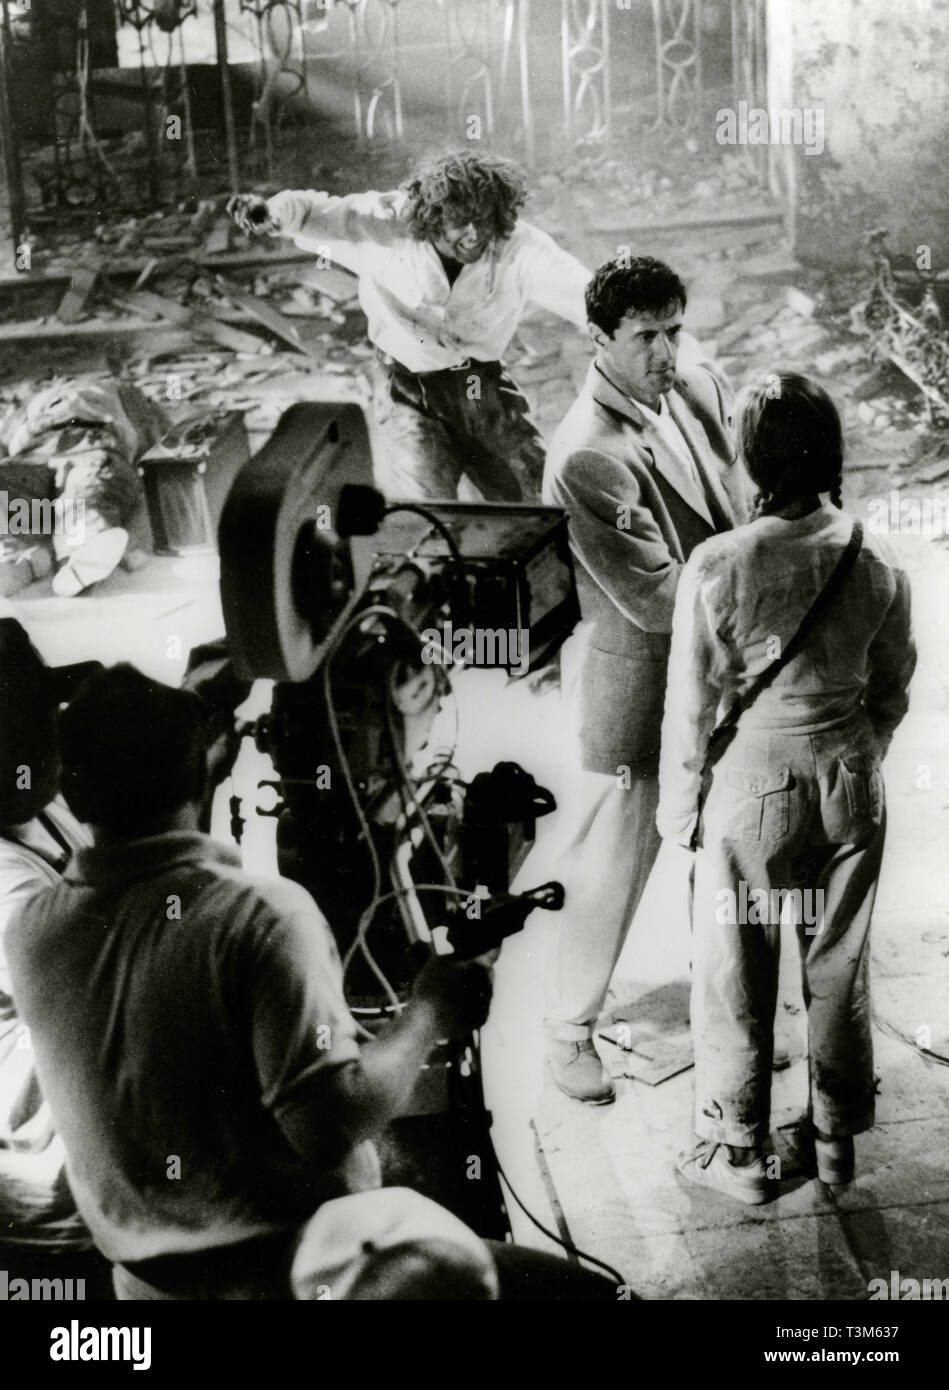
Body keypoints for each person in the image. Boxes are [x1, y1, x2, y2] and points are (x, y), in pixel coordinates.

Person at [5, 663, 492, 1299]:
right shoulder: (261, 915)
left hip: (140, 1284)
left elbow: (170, 1029)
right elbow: (325, 1129)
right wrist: (430, 1010)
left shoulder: (31, 926)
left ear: (73, 785)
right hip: (295, 1273)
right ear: (202, 769)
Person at [657, 372, 915, 1203]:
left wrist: (677, 812)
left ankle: (742, 1153)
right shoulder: (874, 553)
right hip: (849, 776)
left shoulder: (720, 563)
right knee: (839, 962)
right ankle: (836, 1146)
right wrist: (855, 751)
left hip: (750, 789)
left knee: (737, 965)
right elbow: (892, 683)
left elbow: (689, 708)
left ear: (750, 460)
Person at [540, 255, 748, 1103]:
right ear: (598, 339)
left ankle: (731, 1011)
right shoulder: (585, 456)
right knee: (613, 866)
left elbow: (739, 497)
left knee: (731, 845)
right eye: (643, 337)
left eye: (672, 330)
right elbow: (659, 600)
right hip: (639, 681)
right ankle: (565, 1031)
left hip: (722, 665)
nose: (665, 353)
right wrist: (769, 584)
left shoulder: (692, 387)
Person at [228, 150, 591, 502]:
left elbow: (583, 292)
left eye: (484, 219)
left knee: (534, 496)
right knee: (430, 510)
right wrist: (272, 213)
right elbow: (310, 212)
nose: (474, 234)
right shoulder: (382, 224)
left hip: (480, 384)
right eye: (459, 221)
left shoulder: (519, 245)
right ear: (432, 217)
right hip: (406, 389)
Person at [0, 605, 111, 1292]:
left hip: (99, 1181)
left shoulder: (41, 808)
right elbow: (106, 980)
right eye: (26, 727)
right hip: (48, 1206)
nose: (52, 737)